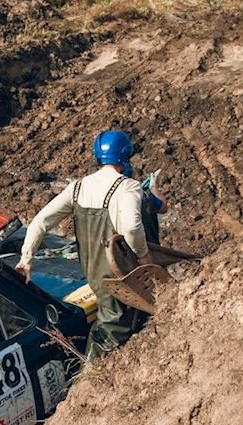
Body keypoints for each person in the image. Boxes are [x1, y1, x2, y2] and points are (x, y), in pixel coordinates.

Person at [16, 130, 152, 359]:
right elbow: (131, 227)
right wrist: (143, 256)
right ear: (126, 156)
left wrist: (26, 259)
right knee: (115, 324)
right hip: (119, 271)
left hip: (92, 271)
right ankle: (92, 369)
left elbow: (40, 222)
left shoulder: (77, 188)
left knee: (112, 312)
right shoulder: (127, 186)